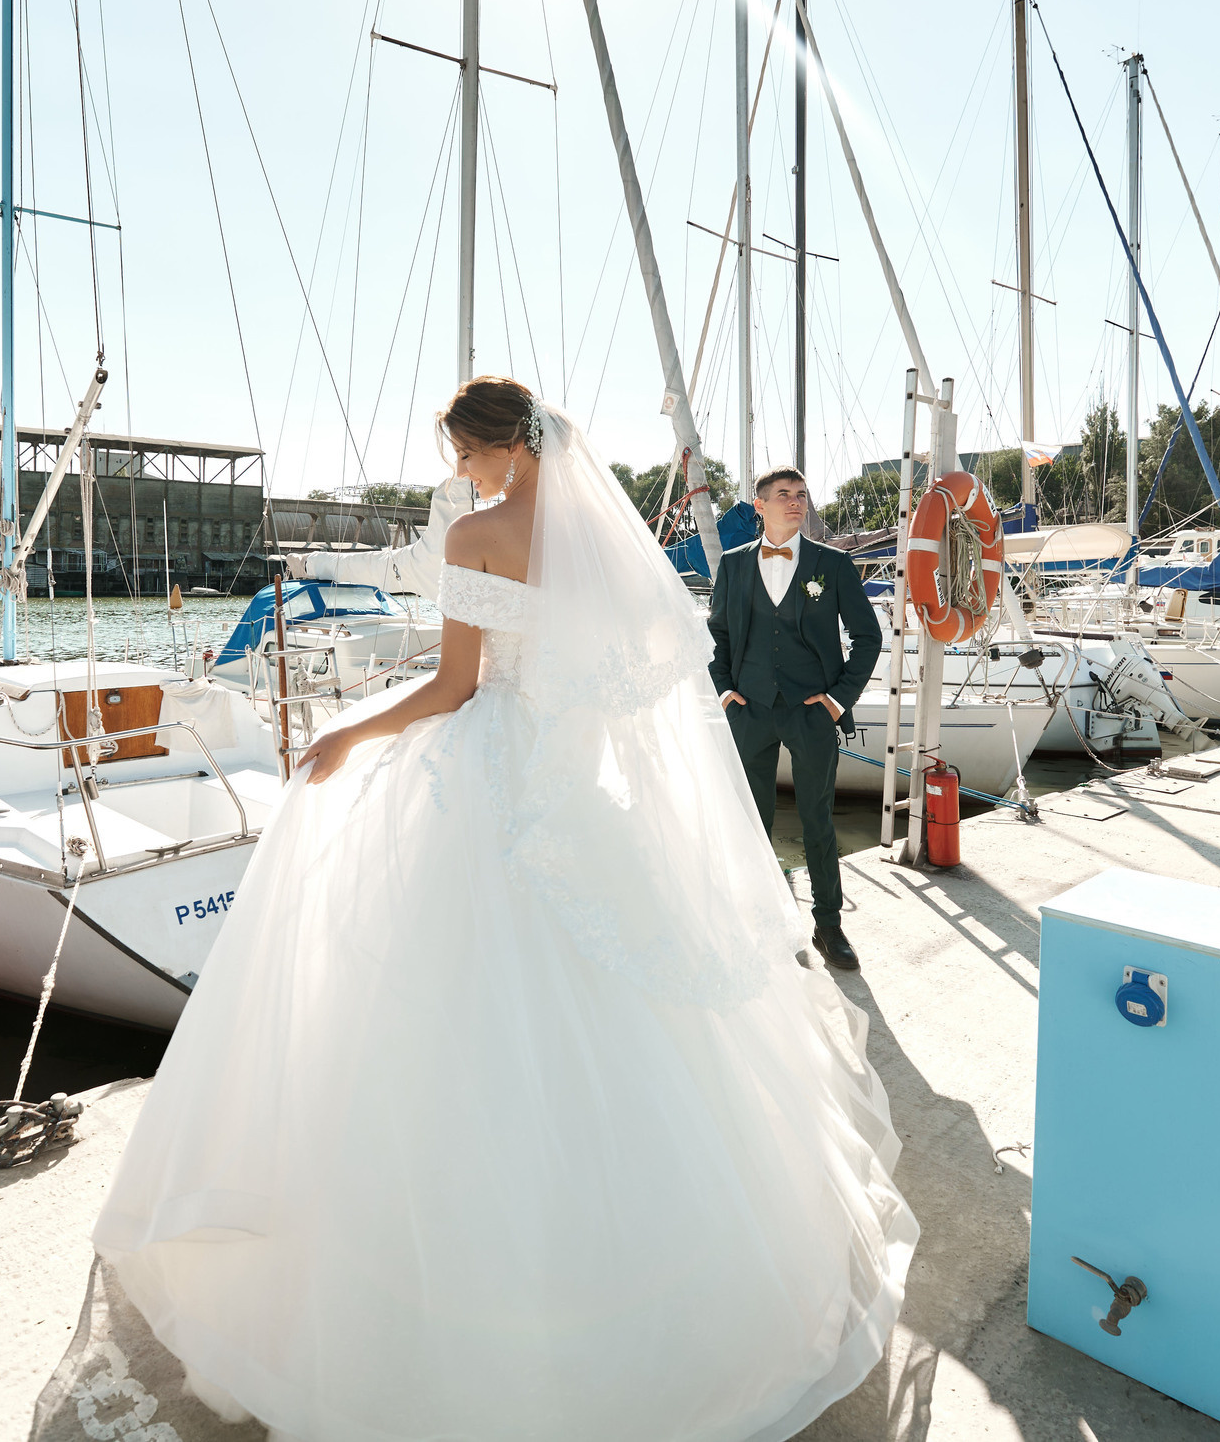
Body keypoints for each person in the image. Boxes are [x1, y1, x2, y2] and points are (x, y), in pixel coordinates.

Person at [90, 376, 915, 1442]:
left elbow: (454, 686)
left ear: (497, 448)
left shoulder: (479, 532)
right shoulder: (593, 543)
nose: (457, 471)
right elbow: (621, 679)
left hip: (492, 781)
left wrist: (349, 732)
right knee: (619, 1007)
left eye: (461, 452)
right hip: (577, 788)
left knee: (440, 995)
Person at [707, 467, 882, 972]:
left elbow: (869, 638)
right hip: (750, 712)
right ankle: (762, 923)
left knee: (817, 823)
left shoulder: (833, 563)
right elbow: (716, 634)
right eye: (783, 495)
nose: (795, 502)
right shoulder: (735, 565)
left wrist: (837, 699)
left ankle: (829, 926)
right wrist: (724, 692)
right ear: (758, 505)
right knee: (753, 823)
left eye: (801, 495)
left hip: (812, 714)